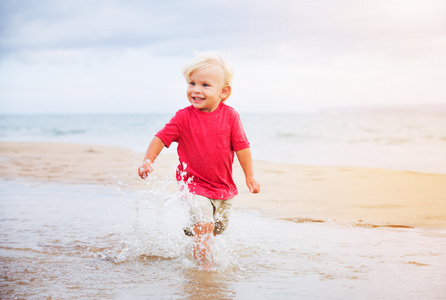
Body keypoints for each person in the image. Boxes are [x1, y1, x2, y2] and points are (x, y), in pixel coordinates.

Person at [138, 52, 260, 268]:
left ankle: (194, 240)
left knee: (217, 227)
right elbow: (160, 138)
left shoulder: (231, 116)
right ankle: (204, 270)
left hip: (223, 188)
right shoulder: (183, 117)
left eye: (205, 85)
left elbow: (242, 147)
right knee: (204, 225)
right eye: (192, 83)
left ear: (224, 92)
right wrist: (148, 160)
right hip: (193, 185)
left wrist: (250, 176)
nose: (196, 90)